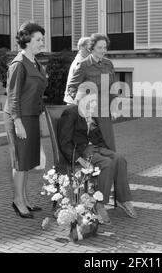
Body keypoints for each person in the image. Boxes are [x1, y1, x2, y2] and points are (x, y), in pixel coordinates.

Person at [57, 89, 137, 225]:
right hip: (81, 152)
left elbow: (98, 136)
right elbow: (65, 143)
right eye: (91, 102)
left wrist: (107, 150)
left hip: (96, 148)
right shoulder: (70, 114)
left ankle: (122, 199)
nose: (94, 105)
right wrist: (80, 160)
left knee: (119, 159)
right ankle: (99, 204)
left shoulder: (92, 114)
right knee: (107, 163)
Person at [4, 22, 48, 218]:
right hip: (19, 118)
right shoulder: (18, 64)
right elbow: (12, 96)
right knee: (20, 162)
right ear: (26, 41)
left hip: (31, 117)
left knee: (28, 161)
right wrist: (17, 122)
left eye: (42, 39)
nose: (42, 42)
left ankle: (25, 198)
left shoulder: (36, 63)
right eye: (38, 39)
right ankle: (17, 201)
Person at [66, 33, 116, 151]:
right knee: (93, 149)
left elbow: (112, 88)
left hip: (104, 113)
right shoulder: (83, 65)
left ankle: (109, 168)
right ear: (91, 48)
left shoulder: (108, 64)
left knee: (109, 147)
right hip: (90, 116)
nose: (103, 50)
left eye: (105, 47)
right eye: (100, 47)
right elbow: (72, 88)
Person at [63, 36, 91, 104]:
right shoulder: (79, 63)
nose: (91, 51)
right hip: (76, 102)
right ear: (81, 48)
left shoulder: (82, 61)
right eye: (88, 48)